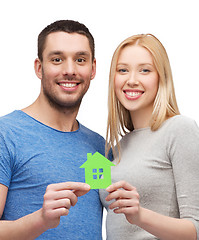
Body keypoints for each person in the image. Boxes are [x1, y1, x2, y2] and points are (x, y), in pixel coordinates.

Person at [0, 20, 105, 239]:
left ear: (92, 68)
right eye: (57, 59)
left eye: (80, 60)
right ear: (40, 68)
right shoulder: (5, 134)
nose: (70, 70)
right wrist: (41, 220)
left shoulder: (100, 147)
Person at [100, 34, 199, 239]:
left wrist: (140, 216)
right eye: (123, 70)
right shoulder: (117, 148)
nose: (132, 80)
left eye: (144, 70)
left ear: (161, 77)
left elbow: (195, 230)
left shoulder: (180, 130)